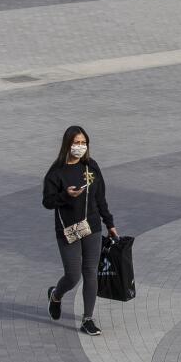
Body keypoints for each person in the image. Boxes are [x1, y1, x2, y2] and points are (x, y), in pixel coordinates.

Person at [44, 124, 116, 336]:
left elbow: (100, 198)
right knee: (73, 275)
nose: (80, 146)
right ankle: (56, 295)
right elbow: (47, 202)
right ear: (68, 144)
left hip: (91, 226)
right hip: (68, 230)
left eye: (84, 143)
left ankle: (88, 319)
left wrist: (109, 224)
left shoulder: (91, 167)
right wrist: (66, 195)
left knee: (90, 272)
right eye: (77, 143)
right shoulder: (56, 172)